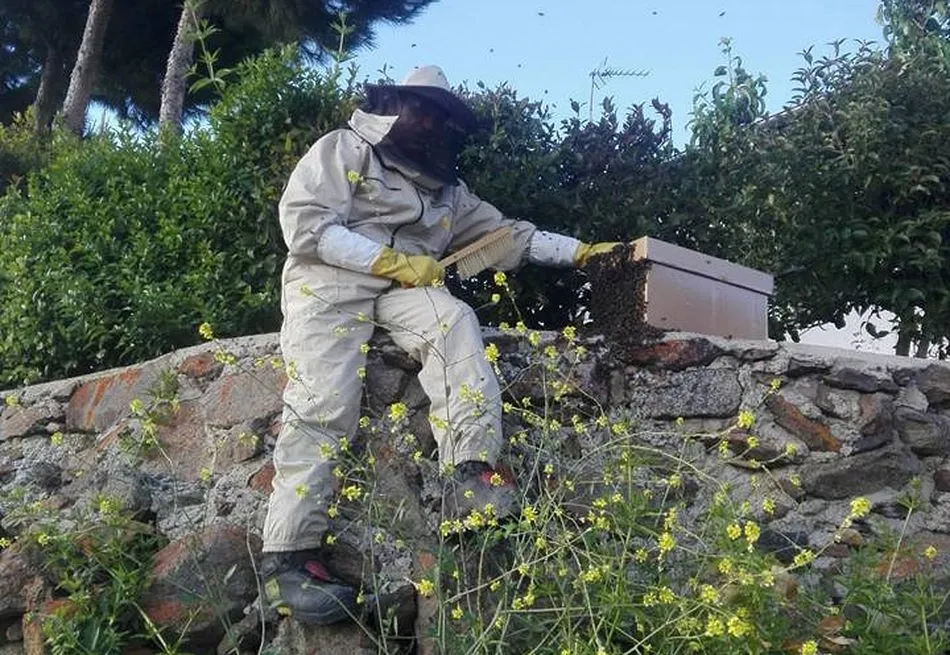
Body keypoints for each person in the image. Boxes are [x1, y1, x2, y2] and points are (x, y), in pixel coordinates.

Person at [259, 65, 620, 625]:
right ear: (397, 106)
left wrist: (582, 252)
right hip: (328, 283)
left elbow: (508, 237)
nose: (431, 122)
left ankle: (470, 474)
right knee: (323, 405)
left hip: (405, 291)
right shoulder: (345, 150)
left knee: (454, 320)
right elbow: (306, 225)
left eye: (442, 116)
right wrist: (386, 259)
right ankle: (289, 559)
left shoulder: (450, 193)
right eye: (422, 109)